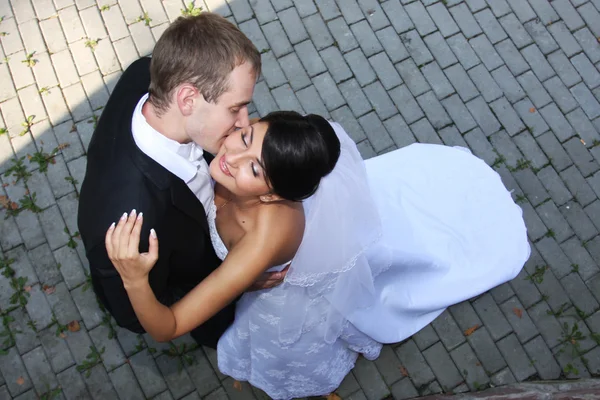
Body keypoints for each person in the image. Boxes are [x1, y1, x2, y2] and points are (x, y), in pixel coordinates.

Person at [106, 112, 530, 399]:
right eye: (245, 136)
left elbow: (170, 325)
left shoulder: (262, 242)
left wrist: (134, 278)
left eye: (255, 169)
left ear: (271, 194)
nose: (233, 157)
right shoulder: (241, 153)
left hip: (283, 290)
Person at [77, 13, 279, 348]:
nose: (245, 122)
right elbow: (132, 316)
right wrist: (232, 283)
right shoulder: (128, 222)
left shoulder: (145, 72)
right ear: (187, 100)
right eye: (235, 109)